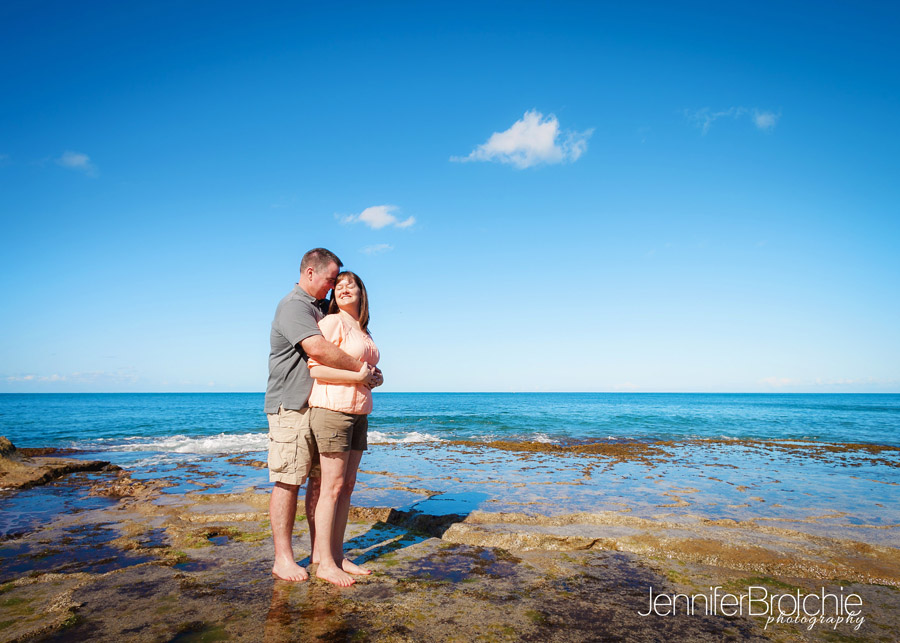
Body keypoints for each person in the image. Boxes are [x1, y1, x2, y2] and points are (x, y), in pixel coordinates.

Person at [264, 248, 381, 582]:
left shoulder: (320, 308)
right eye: (331, 280)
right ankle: (283, 558)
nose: (334, 288)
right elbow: (317, 351)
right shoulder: (295, 306)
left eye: (342, 283)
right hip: (291, 403)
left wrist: (371, 373)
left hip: (316, 403)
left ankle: (323, 555)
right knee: (288, 480)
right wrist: (362, 371)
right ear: (311, 272)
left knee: (320, 483)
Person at [306, 271, 379, 586]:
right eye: (339, 285)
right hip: (333, 410)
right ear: (333, 295)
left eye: (352, 284)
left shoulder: (362, 330)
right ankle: (323, 562)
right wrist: (359, 377)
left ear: (362, 293)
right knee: (331, 487)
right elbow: (316, 367)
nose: (345, 288)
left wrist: (377, 378)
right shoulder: (332, 322)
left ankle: (337, 556)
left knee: (347, 487)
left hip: (359, 412)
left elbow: (368, 370)